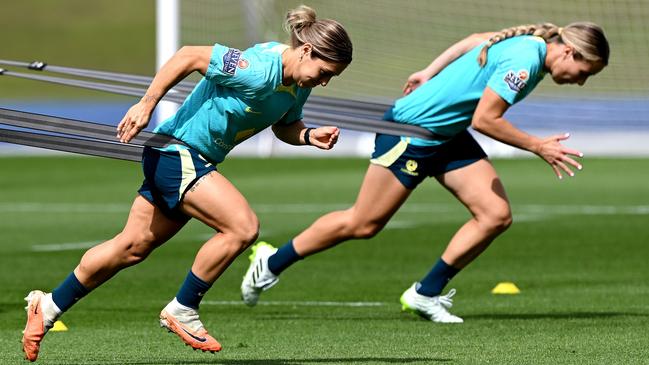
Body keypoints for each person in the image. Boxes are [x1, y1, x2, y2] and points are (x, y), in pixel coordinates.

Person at [21, 5, 352, 362]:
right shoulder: (256, 68)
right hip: (176, 151)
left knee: (131, 247)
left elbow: (284, 125)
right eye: (324, 72)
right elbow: (188, 56)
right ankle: (183, 308)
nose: (324, 82)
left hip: (188, 159)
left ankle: (48, 305)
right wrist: (146, 105)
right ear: (306, 51)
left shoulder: (298, 84)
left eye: (330, 77)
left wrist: (307, 135)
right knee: (242, 228)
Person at [241, 22, 609, 323]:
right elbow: (485, 119)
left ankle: (425, 294)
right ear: (570, 52)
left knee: (495, 215)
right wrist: (537, 145)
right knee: (363, 224)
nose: (580, 81)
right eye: (583, 72)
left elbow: (475, 40)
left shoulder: (532, 43)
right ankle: (270, 262)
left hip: (445, 135)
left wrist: (429, 72)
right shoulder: (525, 60)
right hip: (411, 132)